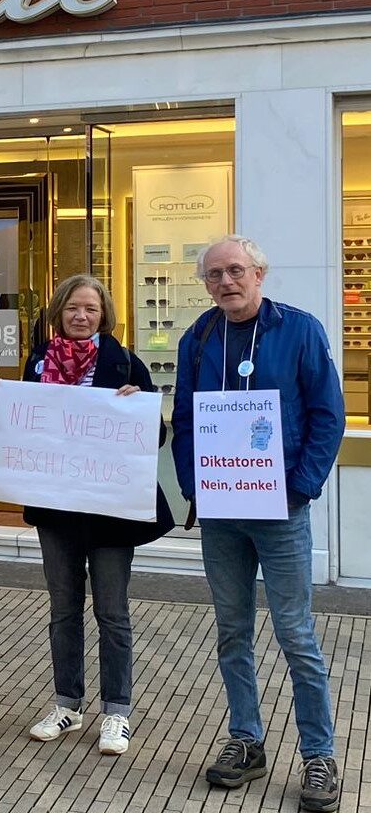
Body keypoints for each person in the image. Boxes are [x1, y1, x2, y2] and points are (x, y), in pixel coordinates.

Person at [171, 235, 344, 812]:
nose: (226, 282)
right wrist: (196, 488)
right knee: (231, 633)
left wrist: (301, 487)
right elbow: (188, 421)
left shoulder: (300, 329)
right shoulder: (197, 339)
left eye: (236, 270)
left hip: (281, 510)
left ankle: (319, 756)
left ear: (260, 274)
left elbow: (328, 414)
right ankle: (246, 742)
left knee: (295, 635)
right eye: (215, 274)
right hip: (221, 513)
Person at [13, 275, 174, 755]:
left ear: (104, 315)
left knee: (112, 611)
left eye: (90, 309)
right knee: (63, 609)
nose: (81, 317)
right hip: (56, 509)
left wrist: (136, 412)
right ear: (58, 313)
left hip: (110, 512)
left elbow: (157, 437)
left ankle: (117, 712)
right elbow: (23, 428)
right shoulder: (39, 362)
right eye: (71, 309)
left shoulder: (125, 362)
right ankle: (67, 703)